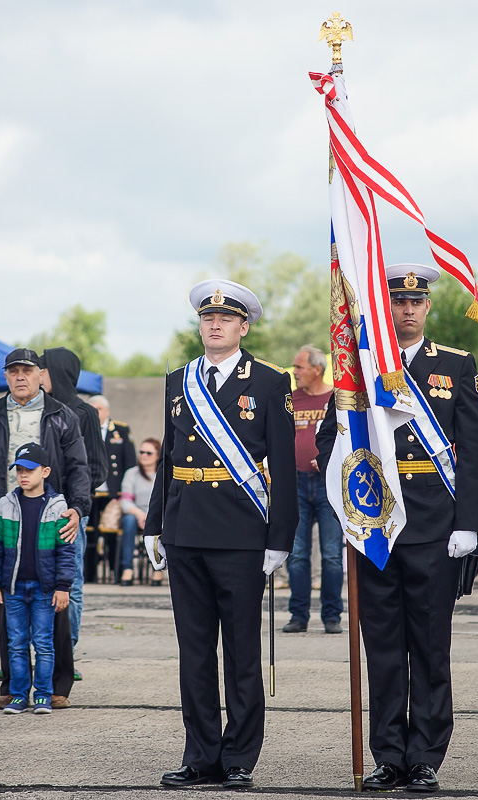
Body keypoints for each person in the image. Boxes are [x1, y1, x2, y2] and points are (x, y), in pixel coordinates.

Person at [316, 263, 478, 793]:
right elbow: (330, 442)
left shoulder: (455, 365)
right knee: (384, 647)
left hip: (436, 524)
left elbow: (477, 453)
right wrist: (351, 502)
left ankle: (426, 756)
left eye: (416, 302)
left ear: (428, 307)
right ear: (384, 307)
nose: (407, 309)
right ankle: (389, 754)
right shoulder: (359, 368)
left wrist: (470, 525)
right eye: (397, 301)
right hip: (376, 524)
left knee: (431, 646)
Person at [145, 279, 297, 790]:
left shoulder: (272, 381)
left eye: (227, 319)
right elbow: (168, 458)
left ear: (243, 326)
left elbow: (285, 465)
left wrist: (281, 537)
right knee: (194, 651)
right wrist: (155, 523)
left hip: (240, 531)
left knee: (240, 651)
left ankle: (238, 757)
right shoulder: (178, 379)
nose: (215, 325)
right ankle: (200, 754)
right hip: (186, 528)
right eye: (208, 319)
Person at [0, 347, 89, 710]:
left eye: (27, 370)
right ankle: (13, 685)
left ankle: (56, 686)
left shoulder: (62, 415)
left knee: (55, 599)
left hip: (51, 516)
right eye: (13, 371)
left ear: (41, 374)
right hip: (5, 517)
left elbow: (79, 467)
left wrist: (78, 509)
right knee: (9, 601)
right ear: (5, 376)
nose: (20, 377)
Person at [0, 443, 74, 715]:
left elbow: (66, 551)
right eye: (20, 470)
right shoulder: (5, 504)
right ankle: (19, 695)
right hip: (12, 589)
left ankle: (44, 695)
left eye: (30, 471)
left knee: (44, 643)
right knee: (17, 643)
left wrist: (62, 586)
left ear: (45, 472)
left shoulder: (58, 506)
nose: (24, 476)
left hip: (45, 589)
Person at [37, 347, 107, 663]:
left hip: (67, 515)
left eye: (43, 369)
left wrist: (71, 500)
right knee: (32, 585)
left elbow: (97, 468)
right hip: (32, 511)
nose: (38, 376)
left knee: (71, 586)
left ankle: (65, 655)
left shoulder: (85, 413)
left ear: (59, 372)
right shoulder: (37, 408)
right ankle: (30, 656)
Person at [282, 344, 342, 635]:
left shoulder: (336, 397)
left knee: (331, 553)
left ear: (317, 369)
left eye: (299, 367)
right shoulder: (289, 400)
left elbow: (347, 436)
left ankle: (332, 615)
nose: (294, 372)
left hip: (327, 484)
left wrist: (330, 458)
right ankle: (298, 615)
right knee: (297, 553)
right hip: (294, 482)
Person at [87, 394, 136, 583]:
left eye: (98, 409)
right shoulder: (84, 428)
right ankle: (89, 573)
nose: (95, 413)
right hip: (91, 492)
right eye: (92, 409)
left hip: (113, 493)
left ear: (107, 411)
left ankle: (116, 572)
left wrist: (124, 493)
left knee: (112, 533)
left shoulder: (121, 430)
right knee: (89, 532)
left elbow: (130, 463)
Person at [119, 437, 161, 585]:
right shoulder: (132, 473)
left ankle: (158, 570)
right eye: (141, 452)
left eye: (148, 453)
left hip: (157, 516)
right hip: (135, 514)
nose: (144, 455)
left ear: (158, 455)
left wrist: (151, 516)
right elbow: (125, 501)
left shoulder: (163, 475)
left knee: (163, 523)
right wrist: (139, 514)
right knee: (128, 521)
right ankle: (127, 569)